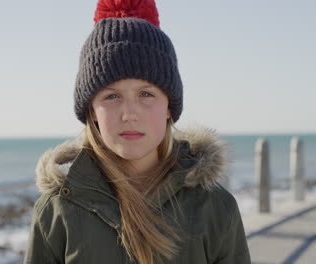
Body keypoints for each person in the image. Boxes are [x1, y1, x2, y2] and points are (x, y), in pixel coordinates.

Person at [24, 0, 251, 263]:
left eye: (146, 94)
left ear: (169, 106)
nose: (129, 113)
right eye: (111, 96)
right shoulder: (56, 211)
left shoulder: (214, 208)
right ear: (92, 111)